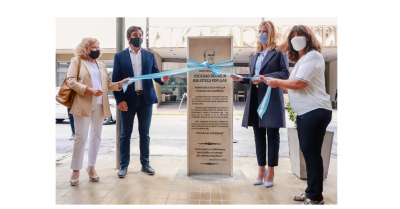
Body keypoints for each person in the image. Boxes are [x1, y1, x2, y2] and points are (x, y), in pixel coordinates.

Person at [260, 25, 332, 205]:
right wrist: (272, 83)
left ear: (309, 38)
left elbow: (300, 84)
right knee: (309, 153)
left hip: (314, 111)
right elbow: (290, 86)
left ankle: (316, 197)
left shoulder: (313, 56)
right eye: (293, 37)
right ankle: (311, 191)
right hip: (305, 112)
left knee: (312, 154)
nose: (295, 40)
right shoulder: (301, 61)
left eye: (300, 36)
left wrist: (277, 80)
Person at [230, 21, 289, 187]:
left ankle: (271, 171)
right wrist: (242, 78)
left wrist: (266, 77)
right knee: (258, 135)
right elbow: (254, 75)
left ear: (271, 33)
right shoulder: (254, 55)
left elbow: (285, 74)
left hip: (271, 98)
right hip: (255, 98)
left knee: (272, 135)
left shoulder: (278, 53)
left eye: (264, 31)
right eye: (259, 31)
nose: (261, 34)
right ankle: (260, 169)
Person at [67, 38, 131, 186]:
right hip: (83, 104)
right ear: (85, 49)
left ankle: (91, 167)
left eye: (97, 46)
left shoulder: (101, 65)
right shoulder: (77, 62)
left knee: (96, 137)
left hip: (100, 105)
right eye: (93, 47)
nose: (96, 49)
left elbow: (108, 84)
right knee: (81, 137)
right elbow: (70, 81)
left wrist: (120, 84)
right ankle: (76, 170)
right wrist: (88, 90)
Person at [112, 26, 170, 178]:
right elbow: (115, 81)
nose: (138, 36)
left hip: (145, 100)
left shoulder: (150, 55)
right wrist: (120, 100)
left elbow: (156, 74)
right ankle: (123, 165)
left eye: (140, 34)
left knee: (145, 134)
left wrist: (162, 79)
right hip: (128, 101)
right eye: (135, 34)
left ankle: (145, 163)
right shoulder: (120, 56)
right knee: (126, 134)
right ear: (128, 38)